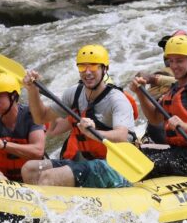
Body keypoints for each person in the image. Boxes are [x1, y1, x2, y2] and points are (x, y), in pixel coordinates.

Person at [21, 44, 135, 188]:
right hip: (88, 162)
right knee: (30, 169)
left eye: (93, 67)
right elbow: (41, 118)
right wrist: (32, 90)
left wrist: (93, 133)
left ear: (104, 69)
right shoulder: (74, 93)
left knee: (48, 177)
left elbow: (121, 136)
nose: (87, 72)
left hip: (116, 166)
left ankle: (51, 208)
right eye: (82, 67)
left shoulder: (116, 99)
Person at [130, 35, 187, 178]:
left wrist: (185, 126)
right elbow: (155, 119)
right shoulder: (175, 88)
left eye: (179, 61)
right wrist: (140, 93)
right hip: (176, 152)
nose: (173, 66)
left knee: (141, 166)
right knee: (132, 156)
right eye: (170, 61)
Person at [136, 30, 187, 144]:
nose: (168, 52)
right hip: (161, 122)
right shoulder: (173, 72)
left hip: (183, 137)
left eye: (178, 57)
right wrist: (140, 92)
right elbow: (154, 118)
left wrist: (155, 79)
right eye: (166, 48)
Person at [0, 72, 45, 181]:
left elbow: (38, 151)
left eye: (0, 96)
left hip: (32, 176)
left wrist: (4, 145)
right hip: (5, 180)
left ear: (13, 96)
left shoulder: (32, 115)